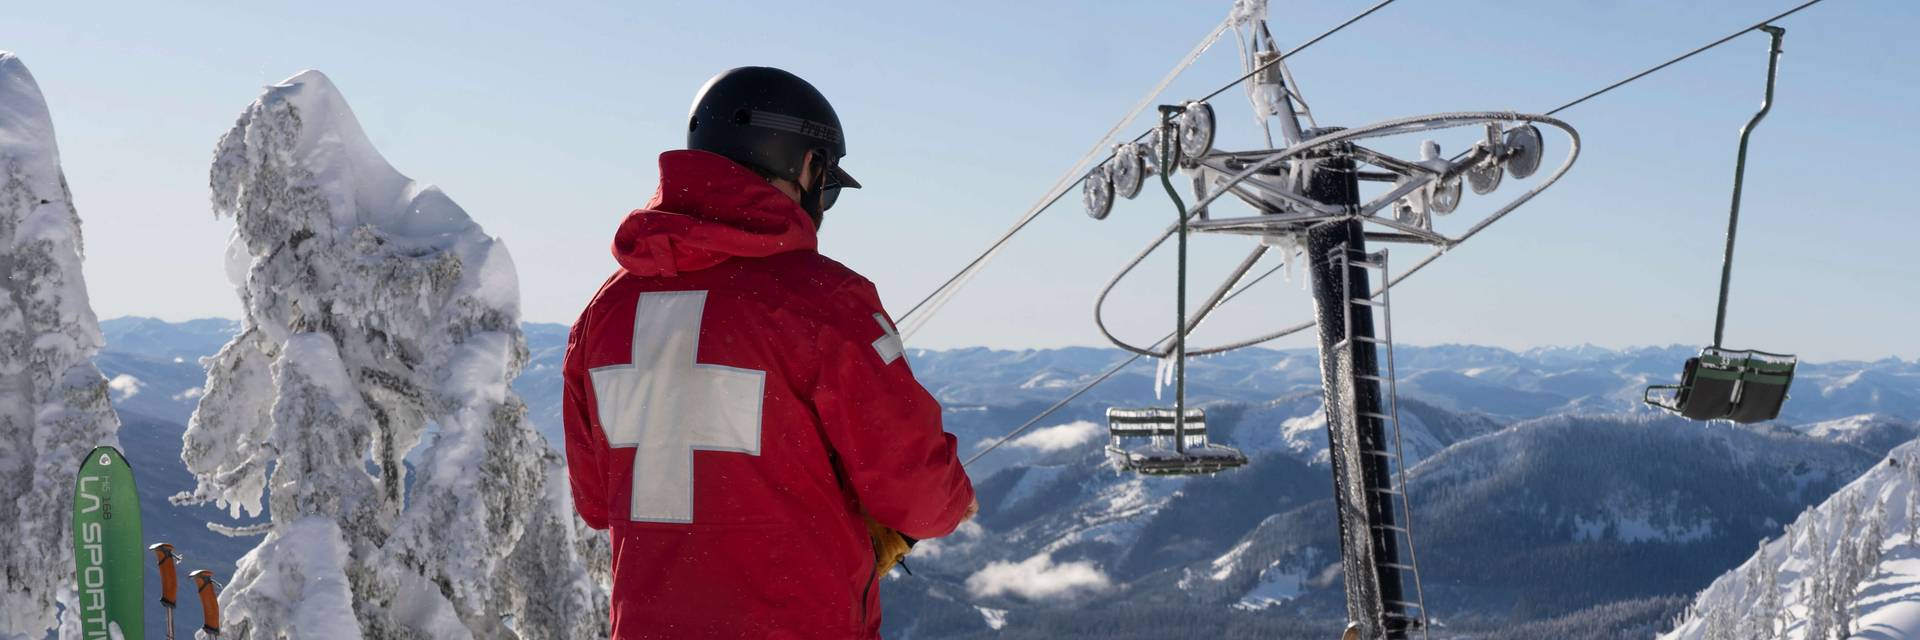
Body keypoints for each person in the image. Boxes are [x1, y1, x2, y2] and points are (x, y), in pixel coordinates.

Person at [562, 66, 977, 639]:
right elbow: (923, 492)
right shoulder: (824, 300)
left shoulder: (604, 313)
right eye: (827, 184)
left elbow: (595, 500)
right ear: (808, 167)